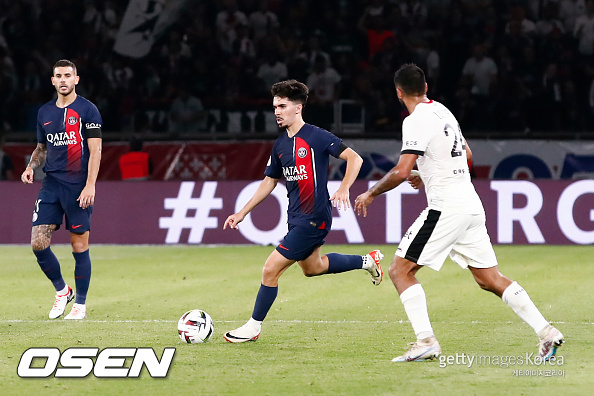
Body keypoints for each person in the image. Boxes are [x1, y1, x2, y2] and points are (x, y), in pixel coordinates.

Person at [354, 64, 564, 362]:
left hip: (446, 208)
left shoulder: (414, 120)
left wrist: (371, 192)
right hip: (471, 205)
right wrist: (425, 174)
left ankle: (425, 341)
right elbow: (467, 156)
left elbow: (400, 171)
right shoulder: (443, 111)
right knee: (489, 278)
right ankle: (547, 332)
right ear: (425, 87)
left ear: (398, 92)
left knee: (399, 270)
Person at [223, 79, 383, 343]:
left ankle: (253, 327)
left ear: (297, 108)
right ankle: (367, 261)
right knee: (313, 268)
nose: (277, 111)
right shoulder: (280, 145)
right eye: (275, 106)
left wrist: (344, 188)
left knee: (270, 269)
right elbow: (269, 181)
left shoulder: (316, 136)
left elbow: (355, 158)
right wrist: (243, 212)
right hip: (296, 218)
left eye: (282, 105)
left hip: (314, 218)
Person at [21, 59, 103, 320]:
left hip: (78, 187)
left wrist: (90, 185)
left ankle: (80, 304)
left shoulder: (88, 110)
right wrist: (31, 166)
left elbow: (96, 150)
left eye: (68, 75)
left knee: (79, 246)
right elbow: (42, 147)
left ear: (76, 79)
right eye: (59, 76)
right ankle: (62, 290)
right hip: (51, 185)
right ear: (53, 80)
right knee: (37, 243)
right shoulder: (44, 112)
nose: (64, 80)